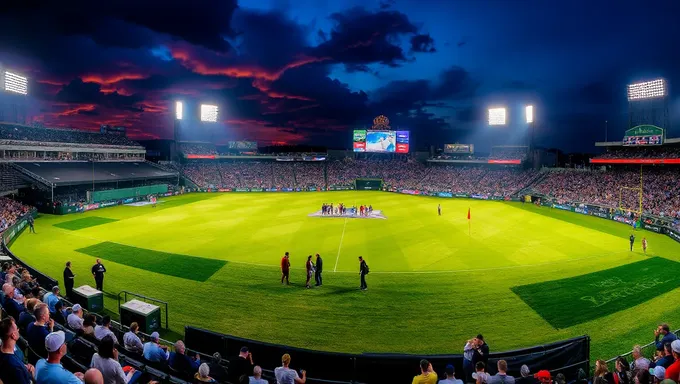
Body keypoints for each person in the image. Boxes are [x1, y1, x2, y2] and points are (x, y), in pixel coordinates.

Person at [0, 317, 35, 384]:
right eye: (17, 328)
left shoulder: (4, 353)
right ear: (13, 335)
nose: (18, 330)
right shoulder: (16, 368)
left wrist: (24, 366)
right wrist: (32, 376)